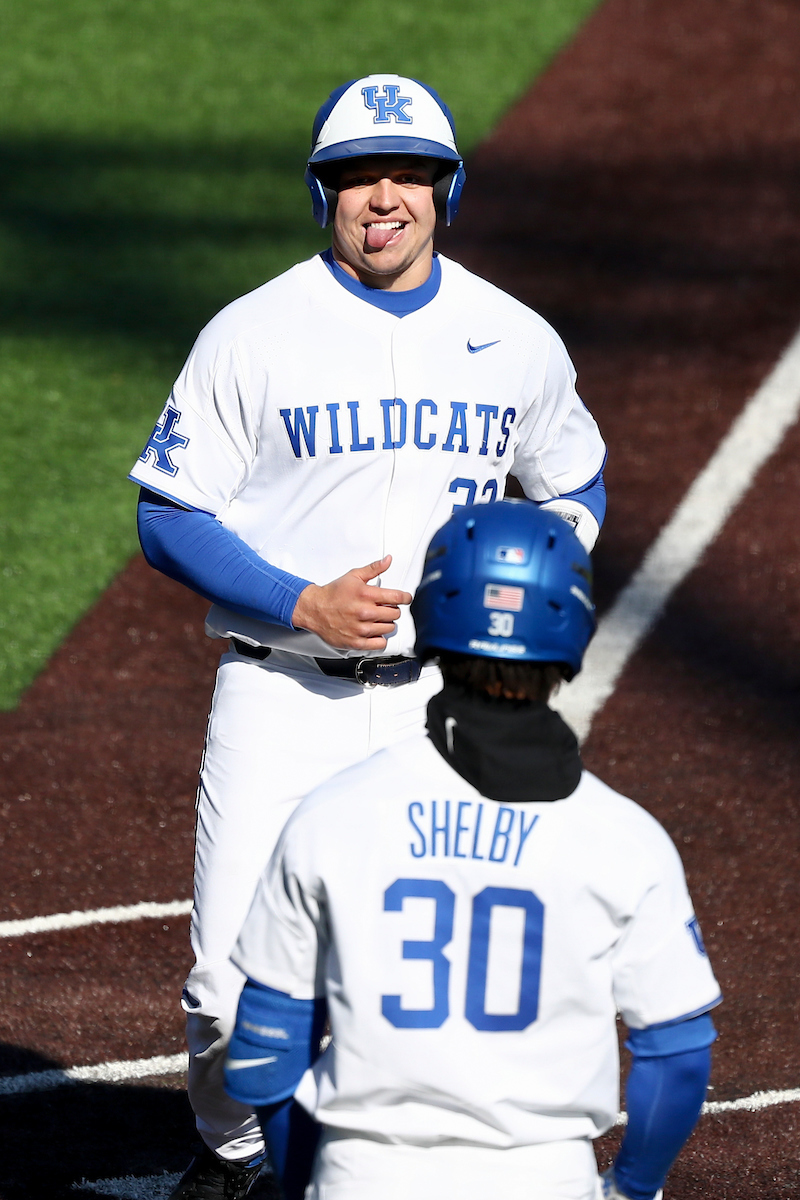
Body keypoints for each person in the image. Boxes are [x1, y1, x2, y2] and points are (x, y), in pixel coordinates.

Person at [129, 74, 608, 1198]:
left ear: (446, 189)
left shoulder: (513, 338)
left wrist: (525, 571)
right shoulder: (253, 333)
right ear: (321, 193)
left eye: (406, 174)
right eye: (354, 175)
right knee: (223, 989)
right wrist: (301, 602)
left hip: (440, 707)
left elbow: (574, 480)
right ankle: (239, 1153)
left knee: (437, 973)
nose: (380, 196)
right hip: (281, 693)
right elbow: (166, 512)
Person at [224, 500, 721, 1200]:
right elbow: (676, 1052)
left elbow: (264, 1049)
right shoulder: (625, 840)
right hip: (543, 1180)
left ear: (431, 616)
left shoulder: (334, 815)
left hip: (363, 1177)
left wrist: (307, 1180)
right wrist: (634, 1189)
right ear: (573, 628)